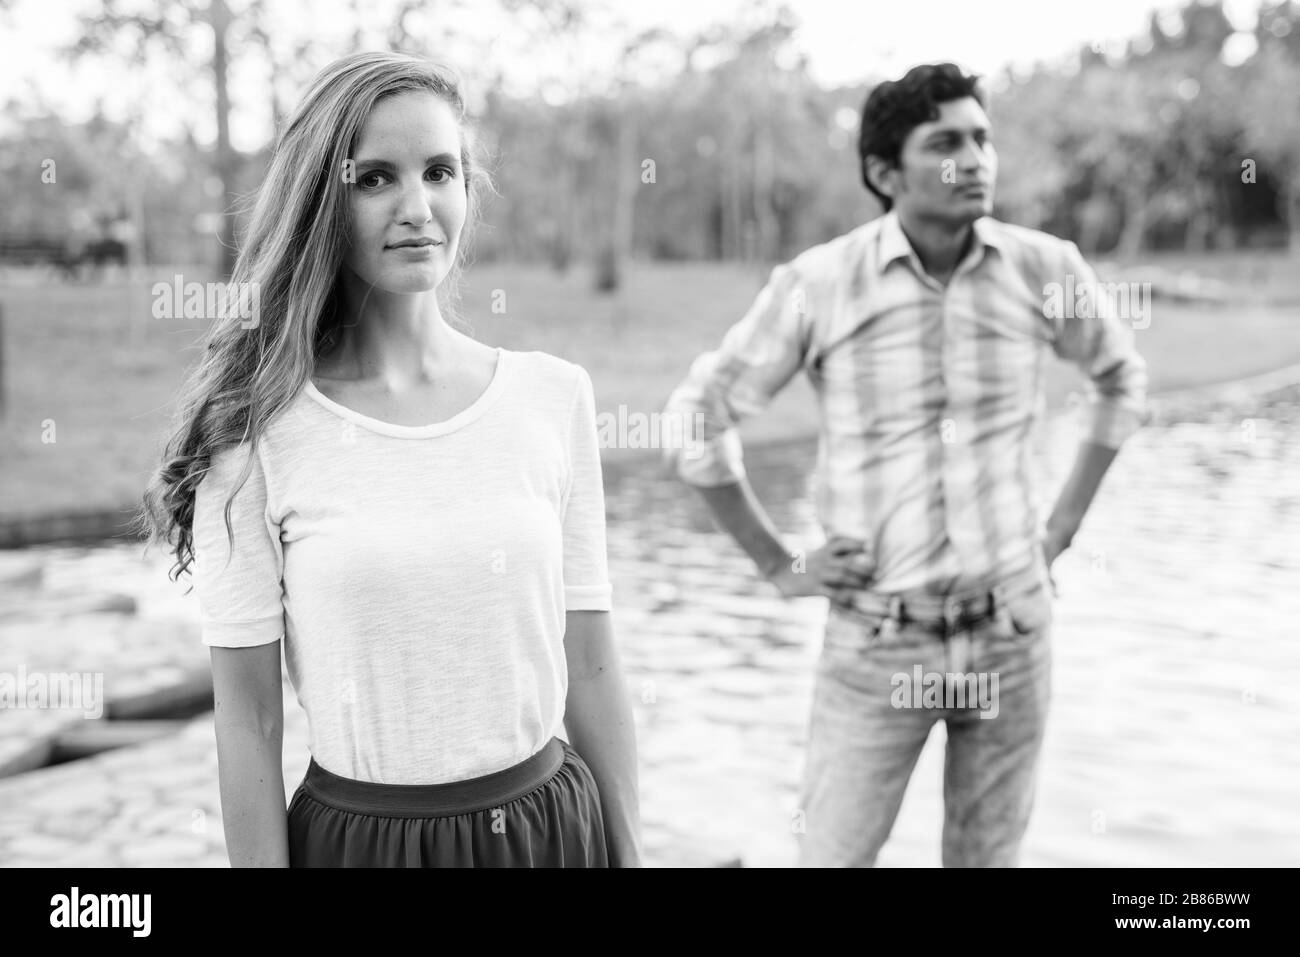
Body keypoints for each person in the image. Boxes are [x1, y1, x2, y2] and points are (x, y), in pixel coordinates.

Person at [137, 50, 641, 867]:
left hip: (553, 834)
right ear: (321, 202)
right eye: (375, 178)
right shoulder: (253, 430)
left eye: (440, 171)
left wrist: (632, 855)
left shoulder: (554, 397)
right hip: (362, 845)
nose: (418, 206)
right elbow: (250, 722)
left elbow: (591, 663)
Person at [661, 62, 1148, 867]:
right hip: (879, 640)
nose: (978, 159)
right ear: (886, 173)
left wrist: (1061, 529)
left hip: (1013, 631)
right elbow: (700, 416)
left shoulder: (1044, 268)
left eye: (984, 138)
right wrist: (776, 562)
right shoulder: (819, 283)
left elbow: (1120, 379)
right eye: (948, 142)